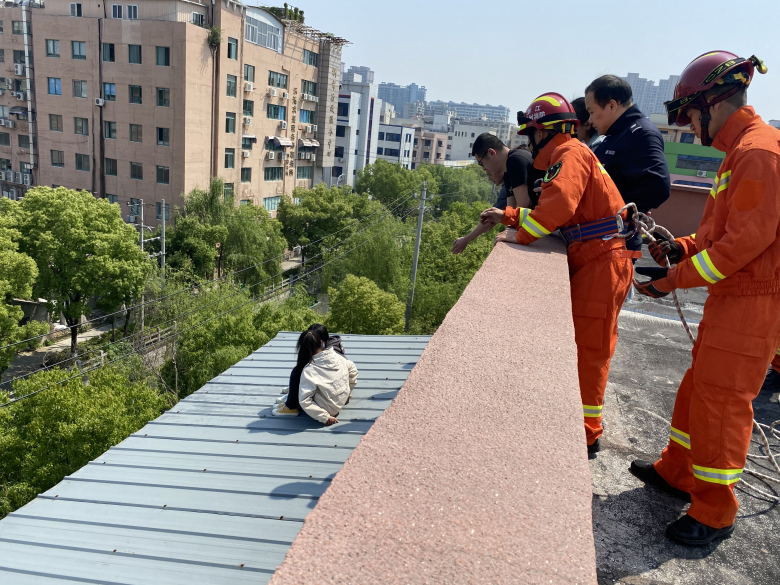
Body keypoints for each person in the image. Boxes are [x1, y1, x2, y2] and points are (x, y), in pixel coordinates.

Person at [630, 51, 778, 547]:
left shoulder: (759, 154)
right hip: (733, 299)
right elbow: (720, 236)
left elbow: (741, 247)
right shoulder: (742, 153)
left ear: (711, 102)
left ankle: (715, 512)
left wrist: (671, 279)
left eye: (689, 115)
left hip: (751, 302)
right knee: (699, 389)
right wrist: (680, 248)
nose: (689, 127)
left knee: (721, 405)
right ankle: (679, 472)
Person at [478, 92, 635, 456]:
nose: (529, 143)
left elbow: (558, 208)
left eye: (531, 134)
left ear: (543, 132)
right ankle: (582, 426)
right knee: (585, 346)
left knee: (591, 350)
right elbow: (552, 209)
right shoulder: (569, 155)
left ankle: (586, 433)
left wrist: (523, 232)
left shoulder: (569, 154)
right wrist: (512, 216)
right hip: (597, 256)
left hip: (602, 260)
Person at [584, 75, 671, 254]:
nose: (590, 120)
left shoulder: (642, 133)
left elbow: (658, 185)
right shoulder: (616, 135)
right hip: (600, 241)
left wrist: (619, 213)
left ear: (612, 105)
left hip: (616, 244)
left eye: (591, 112)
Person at [451, 138, 533, 255]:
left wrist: (517, 235)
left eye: (481, 163)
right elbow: (512, 212)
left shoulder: (516, 160)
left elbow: (525, 205)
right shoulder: (509, 169)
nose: (484, 168)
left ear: (492, 153)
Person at [273, 324, 346, 417]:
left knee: (297, 373)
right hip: (341, 395)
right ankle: (293, 392)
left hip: (328, 405)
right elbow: (352, 369)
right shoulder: (334, 352)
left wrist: (325, 417)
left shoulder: (311, 368)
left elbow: (305, 401)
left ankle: (291, 406)